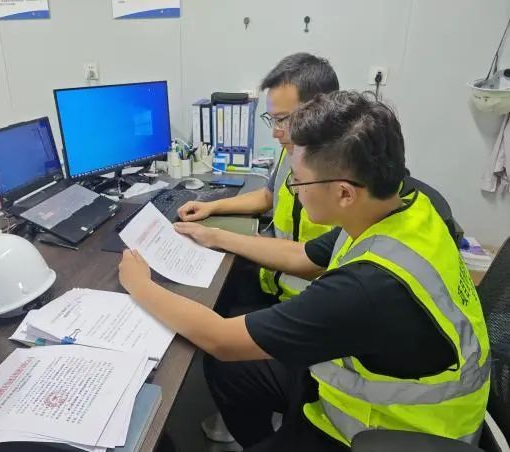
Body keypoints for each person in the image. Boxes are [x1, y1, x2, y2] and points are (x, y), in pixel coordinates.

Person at [119, 91, 490, 451]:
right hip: (369, 382)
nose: (293, 189)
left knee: (223, 353)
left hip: (382, 432)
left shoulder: (367, 288)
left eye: (299, 180)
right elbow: (303, 255)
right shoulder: (402, 207)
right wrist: (214, 235)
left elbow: (221, 339)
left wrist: (140, 286)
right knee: (231, 371)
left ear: (344, 193)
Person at [178, 53, 340, 307]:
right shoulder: (293, 149)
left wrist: (215, 236)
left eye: (283, 119)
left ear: (320, 112)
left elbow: (309, 261)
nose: (275, 132)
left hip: (309, 302)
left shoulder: (343, 174)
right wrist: (211, 207)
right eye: (272, 119)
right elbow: (268, 195)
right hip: (274, 283)